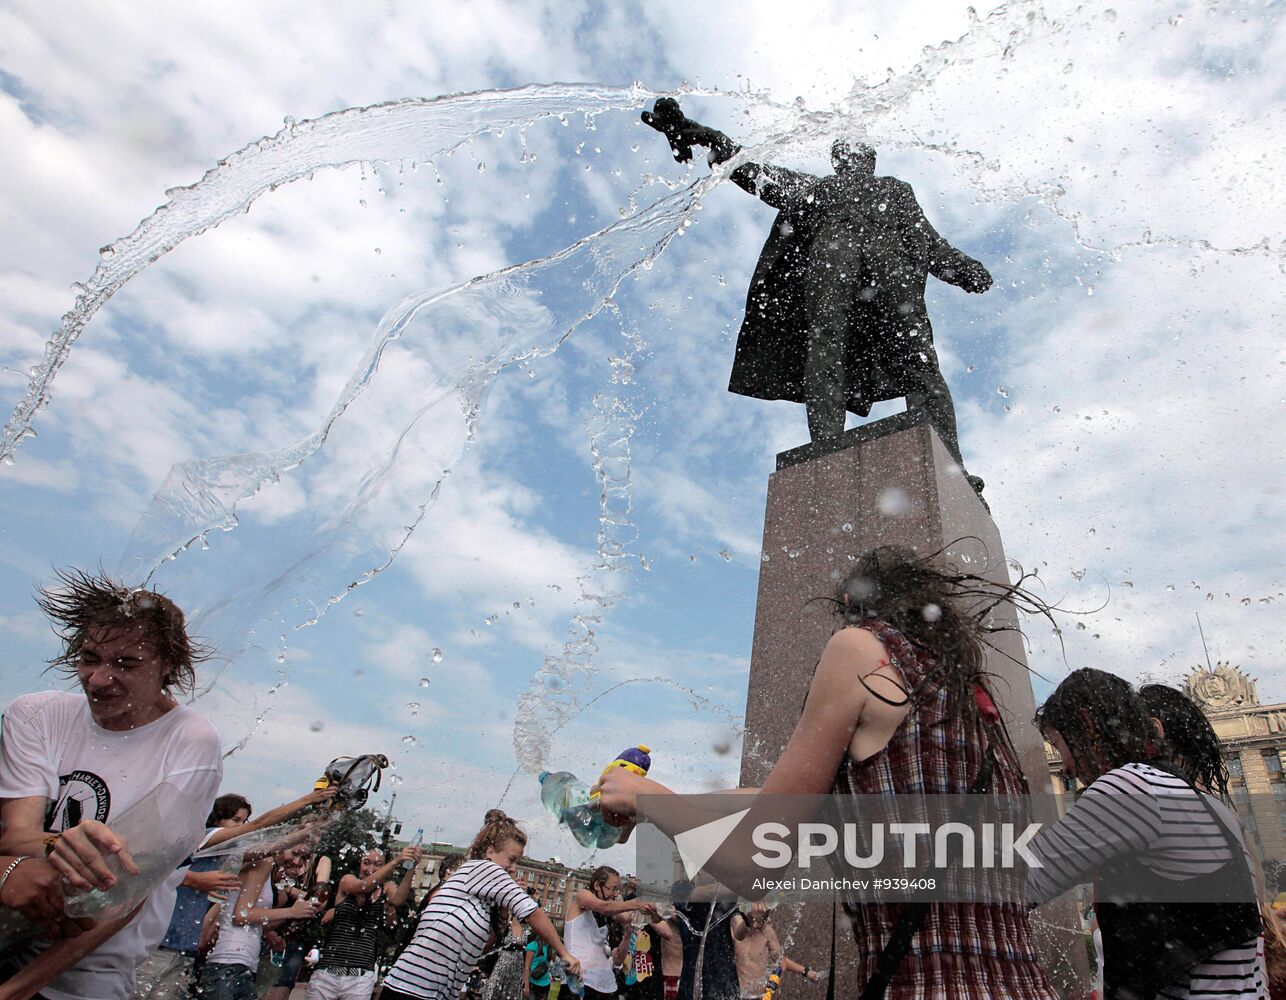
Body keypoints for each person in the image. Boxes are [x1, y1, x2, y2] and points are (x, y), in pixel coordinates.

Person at [597, 546, 1059, 998]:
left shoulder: (863, 650)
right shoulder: (972, 713)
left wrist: (647, 798)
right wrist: (662, 800)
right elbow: (792, 801)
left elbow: (752, 862)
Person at [641, 99, 993, 498]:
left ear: (871, 159)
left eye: (858, 151)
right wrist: (707, 137)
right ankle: (826, 451)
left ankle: (951, 466)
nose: (852, 156)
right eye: (844, 151)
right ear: (837, 159)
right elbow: (755, 172)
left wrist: (962, 267)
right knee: (826, 352)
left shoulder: (895, 190)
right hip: (830, 278)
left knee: (919, 362)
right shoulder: (816, 189)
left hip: (894, 284)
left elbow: (927, 240)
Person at [0, 570, 224, 1000]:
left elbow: (126, 894)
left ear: (169, 667)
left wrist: (17, 989)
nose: (99, 680)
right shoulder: (35, 714)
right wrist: (56, 844)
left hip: (87, 977)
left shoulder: (190, 740)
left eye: (127, 663)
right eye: (89, 658)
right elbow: (15, 837)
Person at [1032, 668, 1266, 999]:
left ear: (1085, 724)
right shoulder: (1206, 805)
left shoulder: (1131, 787)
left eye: (1058, 744)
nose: (1066, 767)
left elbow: (1020, 880)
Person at [135, 787, 335, 1000]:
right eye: (236, 820)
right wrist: (309, 799)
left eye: (245, 821)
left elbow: (275, 846)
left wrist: (319, 824)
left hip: (183, 951)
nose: (243, 827)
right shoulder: (205, 837)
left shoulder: (227, 855)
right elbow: (261, 826)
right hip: (156, 946)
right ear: (217, 820)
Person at [379, 813, 581, 1000]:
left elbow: (481, 947)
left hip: (430, 992)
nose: (513, 867)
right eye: (511, 859)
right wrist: (565, 954)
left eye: (517, 861)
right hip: (411, 988)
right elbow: (533, 913)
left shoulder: (478, 899)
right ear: (490, 851)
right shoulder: (483, 867)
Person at [197, 843, 321, 1000]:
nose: (297, 862)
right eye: (295, 853)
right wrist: (290, 911)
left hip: (239, 965)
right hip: (229, 964)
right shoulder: (264, 861)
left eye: (303, 858)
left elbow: (250, 921)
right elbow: (241, 916)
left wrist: (294, 915)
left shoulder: (268, 872)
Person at [305, 845, 421, 1000]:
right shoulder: (348, 880)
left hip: (360, 978)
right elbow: (363, 886)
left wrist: (411, 868)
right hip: (327, 973)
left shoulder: (387, 887)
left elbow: (398, 899)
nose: (370, 868)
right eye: (366, 862)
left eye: (378, 864)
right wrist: (396, 861)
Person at [564, 866, 658, 1000]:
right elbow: (605, 908)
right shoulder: (583, 896)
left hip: (600, 982)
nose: (615, 894)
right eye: (613, 889)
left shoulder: (607, 910)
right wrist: (638, 903)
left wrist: (654, 913)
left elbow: (627, 917)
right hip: (577, 979)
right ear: (597, 885)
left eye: (617, 890)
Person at [730, 905, 818, 1000]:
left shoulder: (767, 932)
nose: (769, 920)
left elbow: (782, 961)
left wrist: (806, 971)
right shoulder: (734, 932)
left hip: (761, 996)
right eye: (764, 915)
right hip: (738, 996)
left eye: (767, 915)